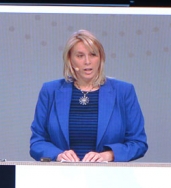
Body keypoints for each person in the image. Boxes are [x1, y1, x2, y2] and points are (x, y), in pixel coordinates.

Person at [29, 30, 148, 162]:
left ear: (101, 58)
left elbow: (138, 143)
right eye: (80, 56)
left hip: (108, 173)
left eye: (93, 54)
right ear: (70, 60)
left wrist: (109, 155)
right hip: (62, 173)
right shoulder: (50, 91)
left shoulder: (124, 91)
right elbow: (37, 142)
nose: (87, 61)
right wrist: (58, 155)